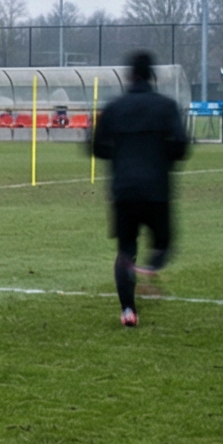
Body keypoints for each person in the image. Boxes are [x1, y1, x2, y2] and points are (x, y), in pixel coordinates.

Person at [88, 50, 189, 328]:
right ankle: (151, 269)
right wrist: (161, 156)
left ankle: (128, 310)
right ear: (152, 76)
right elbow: (181, 147)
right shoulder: (166, 106)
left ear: (129, 75)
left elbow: (96, 148)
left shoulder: (114, 107)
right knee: (165, 242)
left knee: (126, 249)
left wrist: (121, 155)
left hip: (125, 189)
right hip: (157, 188)